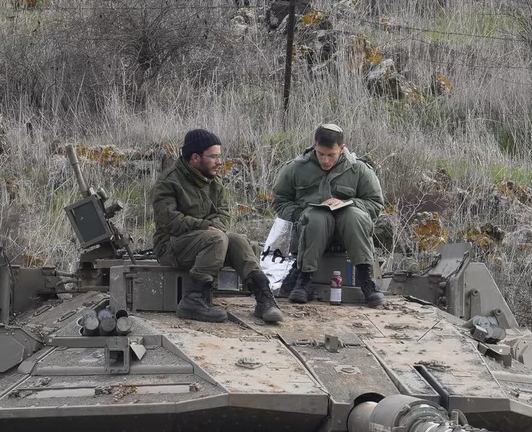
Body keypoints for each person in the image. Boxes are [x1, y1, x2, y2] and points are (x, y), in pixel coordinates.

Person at [151, 129, 283, 323]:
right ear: (195, 158)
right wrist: (205, 227)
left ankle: (263, 297)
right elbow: (170, 221)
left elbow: (223, 213)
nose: (219, 162)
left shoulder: (214, 181)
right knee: (217, 238)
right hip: (172, 246)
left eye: (219, 156)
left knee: (237, 240)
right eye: (213, 157)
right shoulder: (168, 182)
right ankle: (192, 300)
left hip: (209, 242)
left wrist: (214, 228)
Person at [271, 123, 385, 307]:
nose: (325, 160)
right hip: (310, 229)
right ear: (315, 145)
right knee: (316, 216)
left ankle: (365, 279)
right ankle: (304, 279)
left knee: (354, 215)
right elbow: (279, 201)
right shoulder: (295, 168)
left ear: (342, 148)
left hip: (348, 231)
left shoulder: (359, 170)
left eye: (331, 155)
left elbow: (375, 204)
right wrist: (301, 214)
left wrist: (349, 203)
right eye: (321, 154)